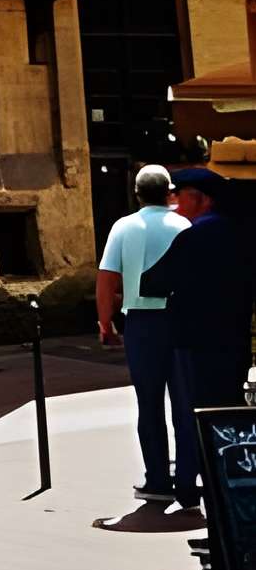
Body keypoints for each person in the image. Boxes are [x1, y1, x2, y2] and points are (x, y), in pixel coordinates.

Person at [139, 166, 256, 506]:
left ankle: (211, 506)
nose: (175, 202)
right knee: (228, 419)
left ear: (201, 199)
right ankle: (234, 497)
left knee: (201, 421)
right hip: (233, 342)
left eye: (181, 195)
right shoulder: (240, 234)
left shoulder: (194, 237)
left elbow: (153, 282)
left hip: (196, 343)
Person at [96, 164, 191, 502]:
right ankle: (187, 481)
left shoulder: (124, 226)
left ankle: (158, 480)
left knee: (148, 404)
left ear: (136, 193)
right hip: (182, 321)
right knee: (184, 403)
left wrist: (105, 323)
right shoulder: (184, 224)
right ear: (169, 192)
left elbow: (107, 278)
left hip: (141, 322)